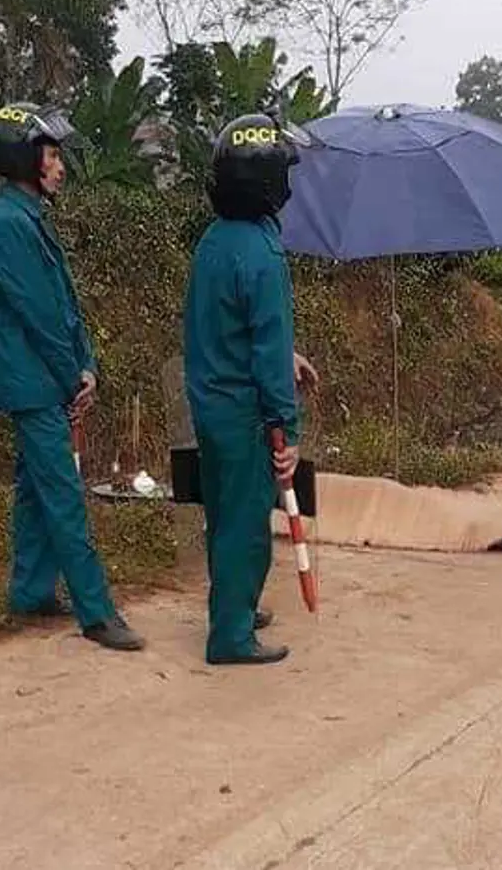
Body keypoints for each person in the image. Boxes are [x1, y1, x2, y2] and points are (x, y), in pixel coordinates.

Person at [0, 102, 143, 652]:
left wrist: (87, 362)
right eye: (52, 155)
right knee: (64, 495)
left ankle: (29, 592)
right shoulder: (6, 227)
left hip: (49, 379)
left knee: (33, 490)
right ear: (25, 159)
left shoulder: (28, 218)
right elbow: (39, 317)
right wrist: (73, 375)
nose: (61, 166)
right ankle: (97, 612)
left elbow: (64, 304)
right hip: (35, 384)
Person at [184, 112, 312, 666]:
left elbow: (235, 326)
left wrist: (284, 353)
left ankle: (233, 604)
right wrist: (289, 429)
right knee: (245, 524)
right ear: (265, 181)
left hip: (211, 400)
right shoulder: (262, 253)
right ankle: (231, 636)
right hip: (243, 410)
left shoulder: (217, 242)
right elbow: (265, 345)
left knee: (224, 512)